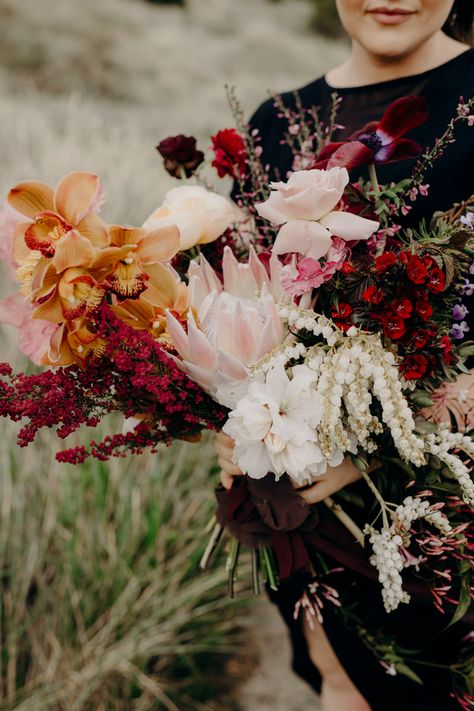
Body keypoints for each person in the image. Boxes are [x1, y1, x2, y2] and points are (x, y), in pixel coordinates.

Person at [215, 1, 474, 710]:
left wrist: (367, 443)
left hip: (448, 514)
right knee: (337, 679)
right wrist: (235, 417)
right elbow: (247, 296)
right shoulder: (276, 121)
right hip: (301, 511)